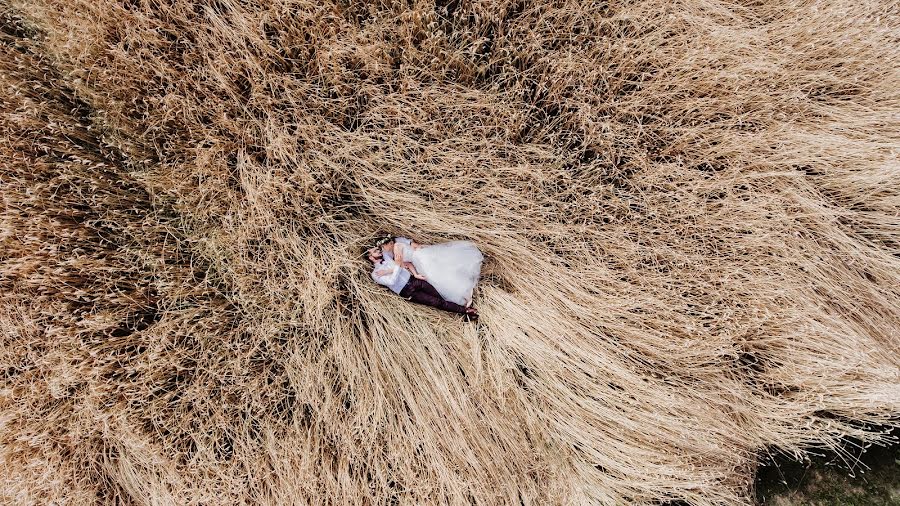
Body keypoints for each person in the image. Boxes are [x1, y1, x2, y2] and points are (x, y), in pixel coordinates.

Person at [367, 247, 478, 320]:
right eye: (375, 251)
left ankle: (461, 305)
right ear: (370, 257)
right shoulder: (375, 274)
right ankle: (466, 311)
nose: (379, 251)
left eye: (378, 249)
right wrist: (397, 266)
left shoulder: (386, 257)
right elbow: (392, 281)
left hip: (414, 280)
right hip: (407, 291)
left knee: (439, 293)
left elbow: (395, 249)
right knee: (436, 302)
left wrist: (390, 270)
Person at [381, 236, 483, 307]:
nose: (383, 249)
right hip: (417, 262)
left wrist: (389, 270)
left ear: (389, 243)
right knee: (438, 277)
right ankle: (464, 293)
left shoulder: (396, 247)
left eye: (383, 246)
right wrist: (416, 274)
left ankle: (464, 290)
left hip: (421, 257)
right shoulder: (395, 254)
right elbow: (407, 264)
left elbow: (401, 264)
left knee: (440, 272)